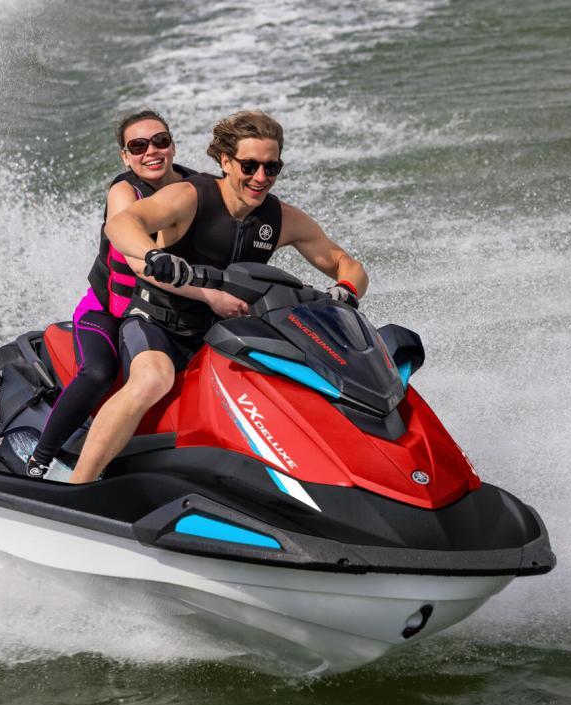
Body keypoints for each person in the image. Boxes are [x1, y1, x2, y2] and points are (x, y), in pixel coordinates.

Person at [68, 110, 368, 484]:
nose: (261, 177)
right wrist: (154, 255)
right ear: (226, 161)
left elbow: (345, 263)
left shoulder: (280, 219)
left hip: (221, 334)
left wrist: (345, 289)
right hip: (158, 322)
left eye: (272, 168)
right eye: (249, 166)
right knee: (152, 380)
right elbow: (122, 224)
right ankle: (78, 484)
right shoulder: (190, 196)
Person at [23, 109, 194, 478]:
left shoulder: (195, 190)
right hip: (107, 313)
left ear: (173, 146)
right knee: (99, 373)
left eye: (160, 141)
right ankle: (39, 459)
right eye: (138, 146)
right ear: (125, 157)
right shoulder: (123, 192)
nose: (151, 151)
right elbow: (134, 251)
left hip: (159, 315)